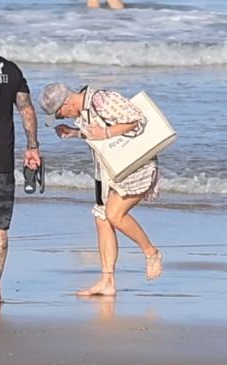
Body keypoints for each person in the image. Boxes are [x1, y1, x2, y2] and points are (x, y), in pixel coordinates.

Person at [37, 82, 163, 296]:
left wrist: (105, 132)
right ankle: (107, 281)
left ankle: (151, 253)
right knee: (102, 218)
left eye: (59, 115)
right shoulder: (84, 111)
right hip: (111, 170)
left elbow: (137, 120)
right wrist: (75, 133)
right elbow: (99, 134)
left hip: (137, 165)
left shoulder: (101, 100)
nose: (63, 118)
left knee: (114, 214)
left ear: (66, 104)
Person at [0, 20, 41, 304]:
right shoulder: (9, 70)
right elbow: (26, 109)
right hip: (0, 162)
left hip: (0, 162)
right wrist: (32, 147)